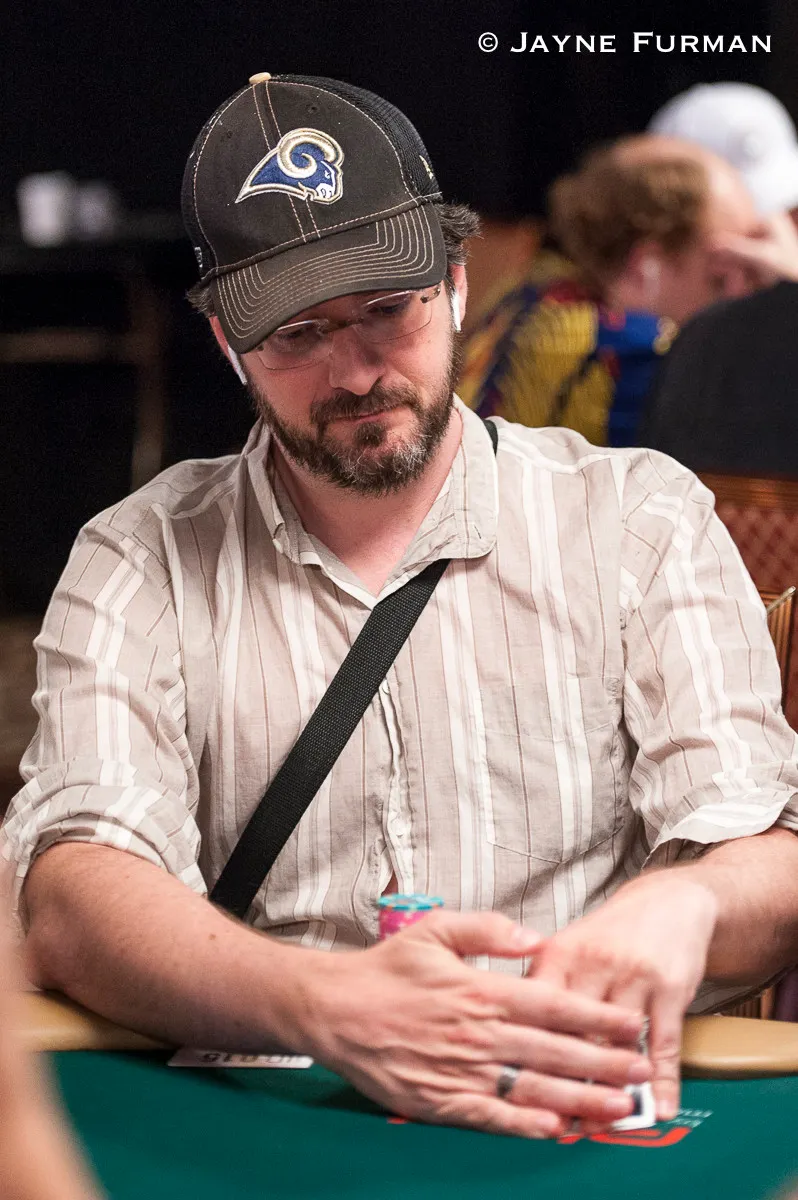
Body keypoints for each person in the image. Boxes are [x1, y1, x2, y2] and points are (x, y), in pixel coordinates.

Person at [5, 73, 798, 1143]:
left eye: (388, 308)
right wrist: (322, 1004)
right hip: (269, 1102)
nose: (356, 372)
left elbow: (769, 856)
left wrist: (689, 901)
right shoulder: (137, 555)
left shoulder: (637, 519)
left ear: (457, 284)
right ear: (229, 345)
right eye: (297, 333)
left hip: (572, 1099)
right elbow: (73, 888)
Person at [457, 134, 763, 445]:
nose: (743, 294)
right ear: (646, 267)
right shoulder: (636, 352)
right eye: (719, 278)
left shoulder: (525, 289)